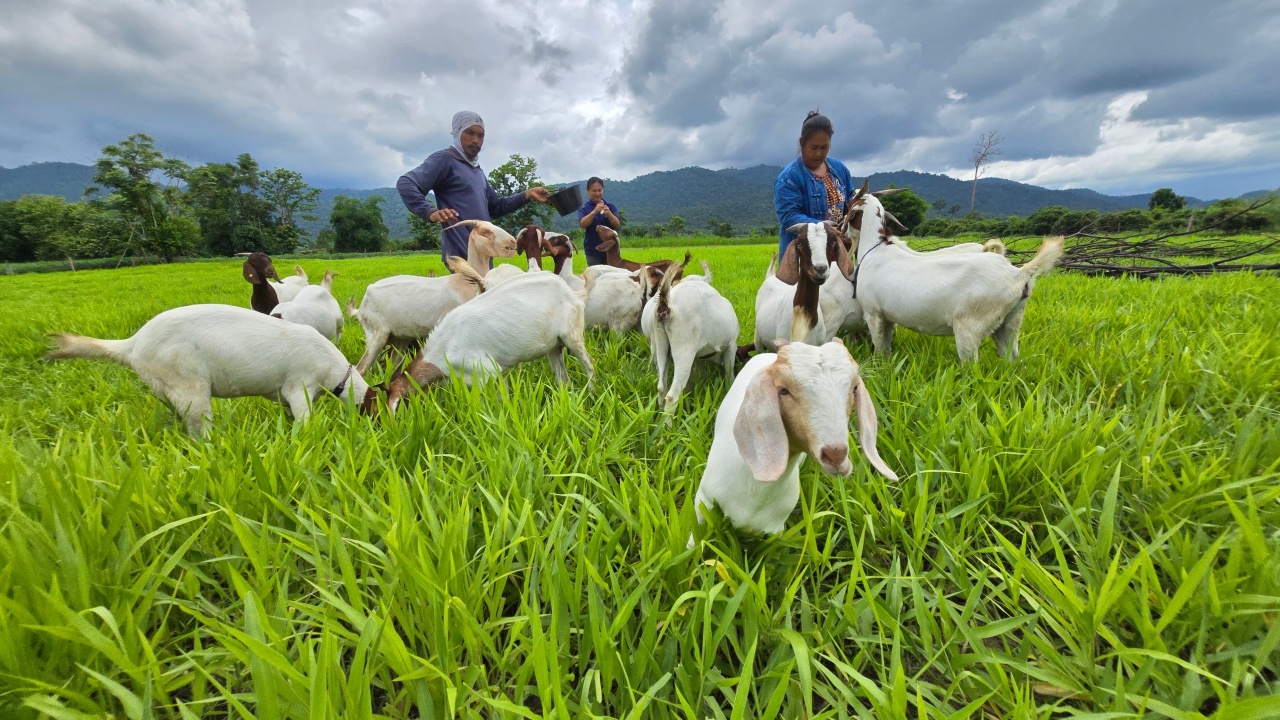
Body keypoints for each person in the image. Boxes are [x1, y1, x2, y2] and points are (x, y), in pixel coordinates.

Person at [397, 110, 551, 269]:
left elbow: (495, 207)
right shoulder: (445, 159)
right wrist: (429, 211)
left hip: (483, 256)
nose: (476, 140)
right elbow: (406, 183)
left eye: (480, 135)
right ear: (457, 132)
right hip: (462, 257)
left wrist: (527, 194)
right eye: (469, 133)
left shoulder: (476, 170)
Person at [773, 110, 856, 258]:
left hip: (838, 252)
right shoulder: (789, 177)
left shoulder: (839, 169)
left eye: (824, 147)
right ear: (802, 144)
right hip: (805, 257)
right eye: (814, 148)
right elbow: (789, 216)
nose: (818, 153)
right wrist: (824, 229)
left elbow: (850, 199)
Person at [577, 177, 621, 266]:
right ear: (588, 190)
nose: (597, 193)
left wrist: (609, 213)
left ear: (603, 190)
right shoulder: (584, 207)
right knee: (595, 275)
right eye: (594, 191)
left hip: (611, 251)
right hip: (593, 252)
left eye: (599, 190)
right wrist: (594, 211)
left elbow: (617, 225)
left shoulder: (610, 206)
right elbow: (582, 224)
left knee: (613, 275)